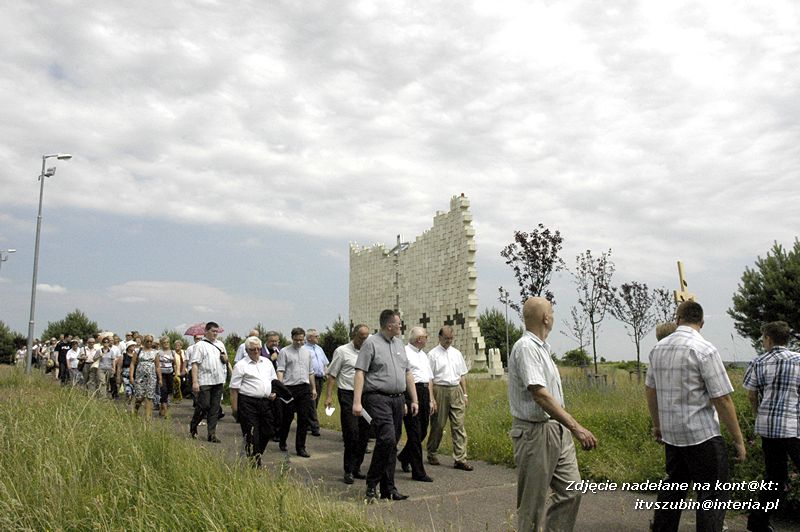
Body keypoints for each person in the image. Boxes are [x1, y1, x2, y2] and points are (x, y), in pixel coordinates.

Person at [645, 300, 746, 532]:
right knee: (712, 494)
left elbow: (650, 390)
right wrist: (738, 440)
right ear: (701, 322)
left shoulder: (657, 349)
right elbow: (722, 399)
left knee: (673, 489)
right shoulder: (705, 349)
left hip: (672, 436)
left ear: (677, 319)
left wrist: (657, 425)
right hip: (703, 436)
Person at [508, 297, 597, 531]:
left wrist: (567, 427)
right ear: (546, 318)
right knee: (532, 505)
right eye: (552, 312)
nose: (553, 315)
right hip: (535, 433)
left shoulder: (542, 349)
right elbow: (540, 394)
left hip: (556, 429)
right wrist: (577, 427)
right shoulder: (526, 348)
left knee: (572, 490)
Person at [353, 309, 418, 502]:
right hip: (377, 397)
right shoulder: (371, 343)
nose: (401, 326)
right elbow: (359, 372)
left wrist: (413, 400)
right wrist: (357, 402)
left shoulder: (399, 344)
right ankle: (372, 484)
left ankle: (388, 488)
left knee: (392, 444)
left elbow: (407, 373)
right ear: (390, 325)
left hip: (397, 399)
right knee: (387, 439)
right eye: (399, 323)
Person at [742, 321, 800, 532]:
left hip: (768, 428)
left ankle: (758, 521)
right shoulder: (798, 360)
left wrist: (758, 414)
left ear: (768, 338)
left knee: (774, 477)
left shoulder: (758, 361)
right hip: (792, 427)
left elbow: (751, 394)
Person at [325, 324, 371, 484]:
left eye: (367, 337)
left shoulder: (369, 351)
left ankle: (357, 466)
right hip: (347, 394)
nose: (364, 340)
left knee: (365, 434)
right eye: (361, 337)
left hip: (365, 395)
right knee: (352, 433)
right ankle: (348, 470)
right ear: (354, 335)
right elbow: (331, 375)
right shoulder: (342, 351)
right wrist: (329, 396)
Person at [427, 325, 472, 471]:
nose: (449, 341)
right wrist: (431, 398)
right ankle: (432, 452)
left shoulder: (457, 353)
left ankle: (460, 458)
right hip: (439, 389)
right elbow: (429, 378)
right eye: (446, 338)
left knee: (458, 425)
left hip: (455, 389)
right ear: (440, 337)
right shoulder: (432, 355)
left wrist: (465, 394)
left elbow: (462, 375)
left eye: (451, 338)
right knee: (438, 424)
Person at [230, 336, 278, 468]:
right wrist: (235, 410)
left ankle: (257, 454)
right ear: (247, 350)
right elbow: (234, 389)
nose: (256, 351)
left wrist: (274, 392)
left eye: (258, 349)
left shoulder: (267, 362)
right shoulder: (241, 365)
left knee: (268, 431)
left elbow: (273, 380)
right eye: (252, 349)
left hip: (266, 402)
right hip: (248, 403)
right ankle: (254, 463)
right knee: (251, 434)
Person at [398, 326, 436, 482]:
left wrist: (431, 398)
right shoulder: (405, 353)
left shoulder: (424, 355)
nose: (427, 338)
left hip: (424, 391)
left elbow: (429, 378)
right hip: (410, 392)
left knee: (422, 432)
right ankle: (418, 471)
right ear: (420, 339)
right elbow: (403, 376)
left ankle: (404, 456)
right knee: (414, 432)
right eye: (426, 336)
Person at [276, 327, 316, 457]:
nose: (299, 342)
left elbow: (310, 372)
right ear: (292, 338)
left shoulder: (307, 353)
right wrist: (280, 388)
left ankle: (301, 447)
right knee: (287, 417)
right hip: (289, 388)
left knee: (303, 418)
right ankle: (282, 440)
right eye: (296, 340)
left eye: (301, 340)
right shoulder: (285, 352)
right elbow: (280, 370)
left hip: (304, 387)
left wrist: (313, 388)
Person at [190, 322, 229, 443]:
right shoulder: (200, 345)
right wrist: (195, 382)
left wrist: (225, 359)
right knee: (204, 405)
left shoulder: (220, 344)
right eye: (213, 331)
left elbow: (226, 360)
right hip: (205, 380)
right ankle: (194, 425)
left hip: (218, 380)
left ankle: (211, 434)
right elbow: (195, 364)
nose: (215, 334)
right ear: (206, 331)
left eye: (217, 331)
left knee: (215, 408)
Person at [130, 335, 162, 419]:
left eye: (151, 341)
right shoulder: (138, 351)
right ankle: (135, 412)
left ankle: (148, 417)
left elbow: (158, 366)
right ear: (144, 341)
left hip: (151, 376)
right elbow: (132, 364)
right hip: (140, 376)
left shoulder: (155, 352)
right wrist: (131, 376)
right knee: (139, 396)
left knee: (149, 397)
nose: (149, 343)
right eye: (147, 341)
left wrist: (160, 378)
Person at [305, 328, 327, 437]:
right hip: (310, 378)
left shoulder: (319, 349)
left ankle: (308, 423)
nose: (318, 338)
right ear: (309, 338)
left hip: (320, 378)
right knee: (311, 402)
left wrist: (326, 373)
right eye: (316, 336)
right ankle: (315, 426)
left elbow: (324, 363)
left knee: (316, 402)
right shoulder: (304, 349)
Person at [157, 336, 176, 417]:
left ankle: (162, 404)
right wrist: (159, 378)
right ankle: (165, 409)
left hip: (170, 373)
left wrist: (176, 373)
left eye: (167, 342)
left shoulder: (172, 352)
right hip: (162, 373)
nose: (166, 344)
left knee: (169, 390)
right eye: (164, 343)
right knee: (163, 390)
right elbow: (157, 365)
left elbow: (175, 363)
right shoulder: (159, 353)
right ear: (161, 344)